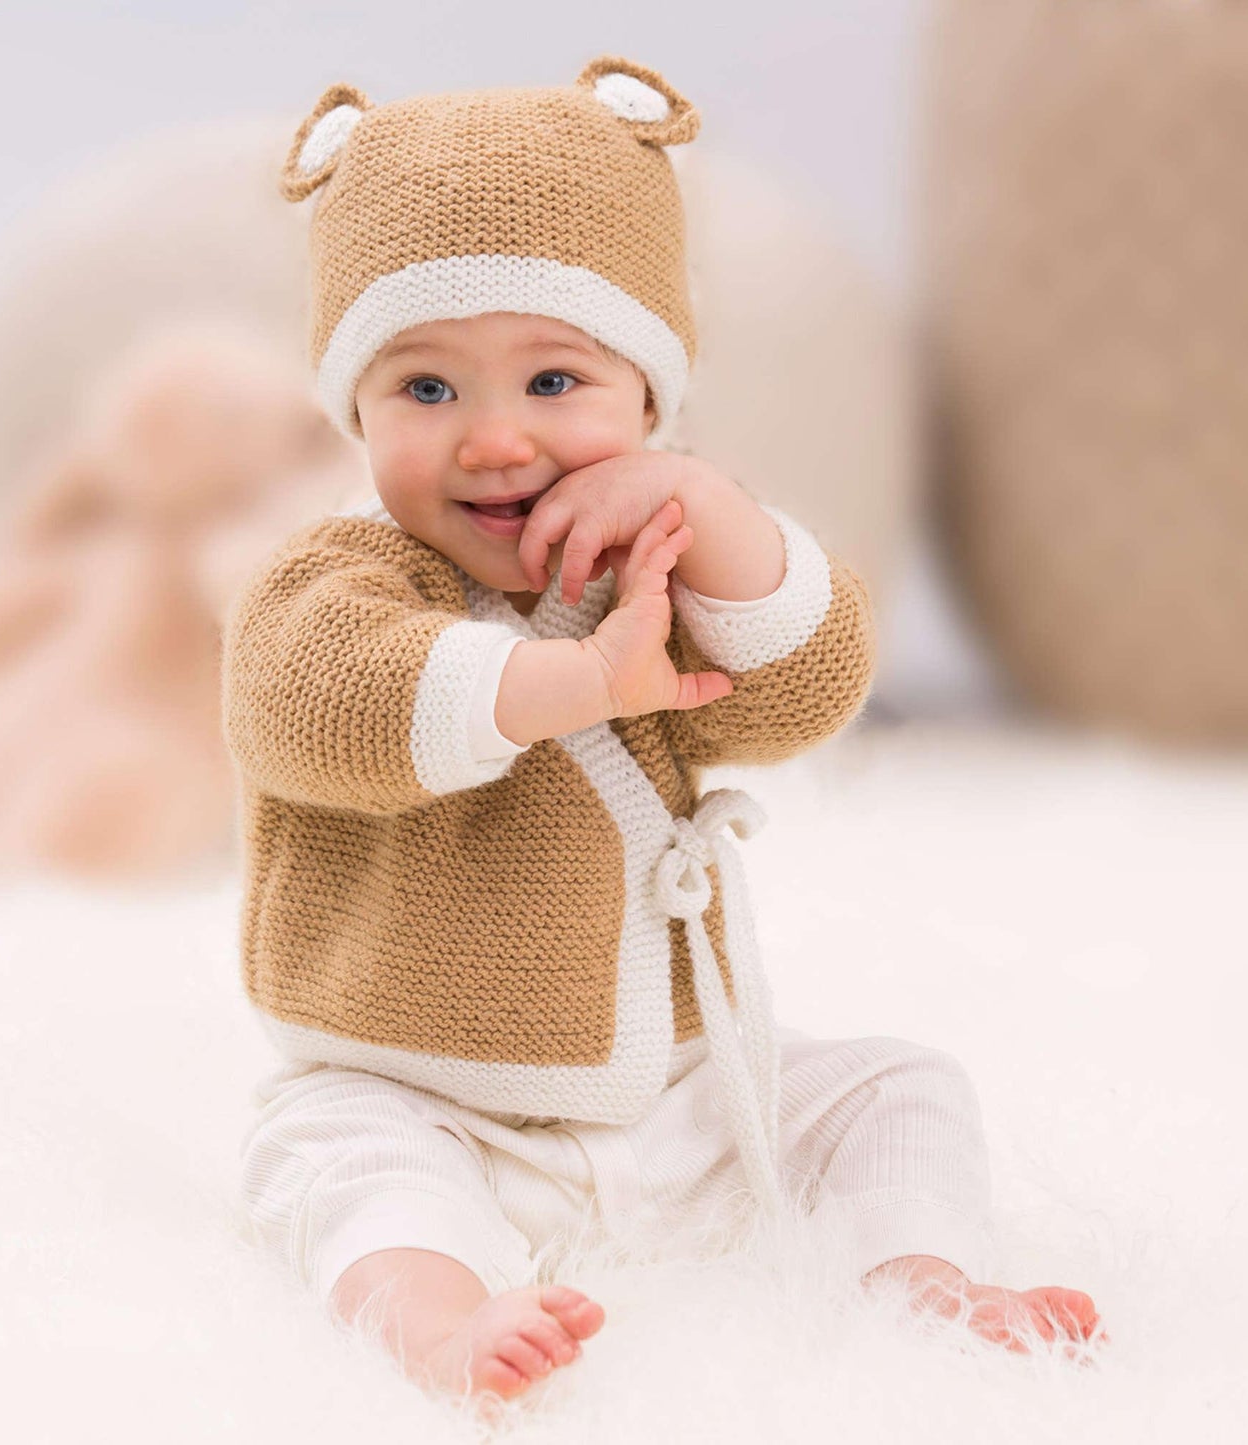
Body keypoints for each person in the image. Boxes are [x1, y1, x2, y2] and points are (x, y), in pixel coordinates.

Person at [220, 55, 1106, 1404]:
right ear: (351, 407)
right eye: (426, 390)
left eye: (556, 379)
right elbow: (321, 704)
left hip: (687, 1094)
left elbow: (807, 690)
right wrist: (565, 687)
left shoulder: (663, 547)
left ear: (649, 398)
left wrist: (720, 520)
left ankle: (918, 1276)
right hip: (422, 1088)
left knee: (895, 1087)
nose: (495, 440)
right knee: (336, 1160)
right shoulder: (336, 580)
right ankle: (443, 1321)